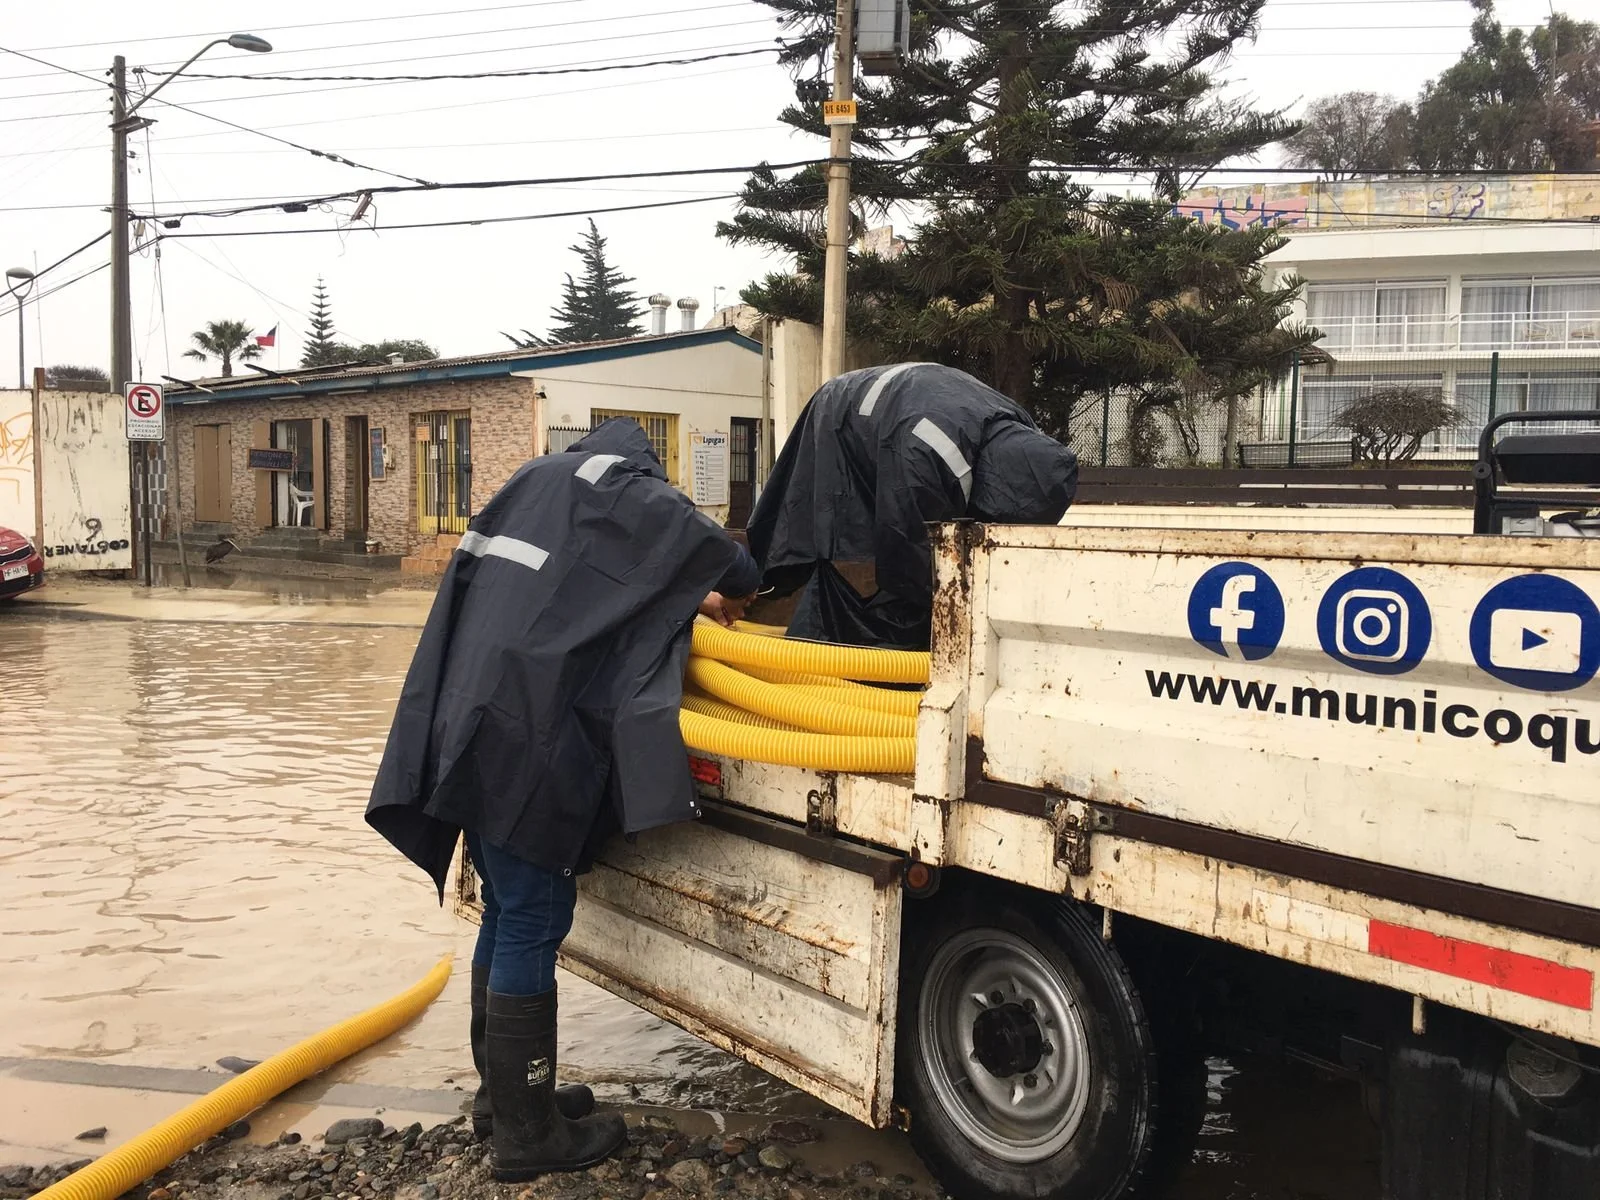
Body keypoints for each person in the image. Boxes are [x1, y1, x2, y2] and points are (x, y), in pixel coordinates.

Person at [367, 418, 758, 1182]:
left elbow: (577, 586)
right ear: (644, 461)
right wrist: (721, 593)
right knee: (535, 918)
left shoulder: (531, 482)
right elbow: (739, 566)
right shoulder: (636, 493)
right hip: (526, 735)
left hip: (461, 721)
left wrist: (684, 598)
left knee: (507, 912)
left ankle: (503, 1101)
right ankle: (528, 1135)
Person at [746, 362, 1079, 648]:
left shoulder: (1021, 433)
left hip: (907, 408)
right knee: (837, 542)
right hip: (842, 417)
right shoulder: (926, 453)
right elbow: (906, 549)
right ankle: (760, 597)